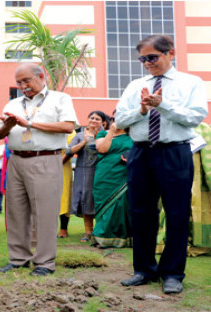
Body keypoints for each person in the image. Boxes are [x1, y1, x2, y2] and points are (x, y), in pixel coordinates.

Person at [116, 35, 208, 294]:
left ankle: (172, 273)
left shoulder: (191, 83)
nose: (147, 63)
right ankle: (143, 269)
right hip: (141, 153)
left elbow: (195, 116)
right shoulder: (135, 85)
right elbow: (120, 117)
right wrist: (142, 111)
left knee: (177, 212)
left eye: (152, 57)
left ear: (171, 53)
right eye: (142, 59)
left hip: (174, 152)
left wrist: (163, 105)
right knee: (141, 213)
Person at [0, 63, 78, 276]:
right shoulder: (13, 103)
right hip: (17, 160)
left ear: (41, 76)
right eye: (19, 83)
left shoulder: (60, 99)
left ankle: (44, 263)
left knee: (45, 212)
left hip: (46, 159)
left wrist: (30, 124)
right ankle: (18, 259)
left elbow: (68, 126)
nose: (23, 86)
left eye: (27, 81)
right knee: (16, 212)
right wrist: (8, 125)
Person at [91, 112, 133, 248]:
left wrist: (132, 159)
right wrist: (112, 132)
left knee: (122, 205)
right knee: (104, 205)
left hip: (123, 176)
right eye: (115, 119)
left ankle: (121, 238)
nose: (118, 121)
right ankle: (102, 237)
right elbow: (102, 149)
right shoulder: (103, 134)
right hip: (105, 175)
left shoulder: (133, 136)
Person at [65, 111, 107, 242]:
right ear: (87, 120)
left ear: (103, 123)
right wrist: (83, 142)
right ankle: (88, 231)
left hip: (101, 171)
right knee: (85, 199)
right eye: (92, 118)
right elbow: (68, 151)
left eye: (97, 119)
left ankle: (100, 231)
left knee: (99, 199)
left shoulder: (105, 135)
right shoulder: (79, 135)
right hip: (83, 172)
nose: (94, 120)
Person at [58, 130, 76, 238]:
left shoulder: (70, 132)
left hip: (63, 167)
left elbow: (69, 151)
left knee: (64, 198)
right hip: (44, 166)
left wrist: (57, 163)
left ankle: (63, 229)